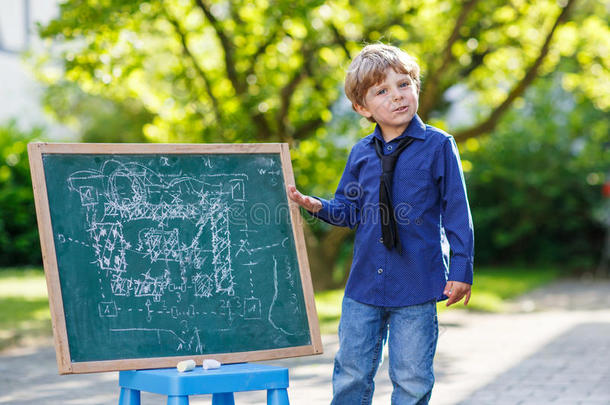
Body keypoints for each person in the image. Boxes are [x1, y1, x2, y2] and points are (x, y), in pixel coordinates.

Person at [287, 43, 474, 405]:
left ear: (416, 86)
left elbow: (457, 212)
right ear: (362, 107)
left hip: (417, 284)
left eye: (404, 85)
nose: (397, 97)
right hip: (363, 288)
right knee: (351, 376)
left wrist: (462, 269)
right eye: (382, 91)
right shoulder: (360, 153)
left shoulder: (439, 146)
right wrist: (317, 206)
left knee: (413, 379)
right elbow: (349, 210)